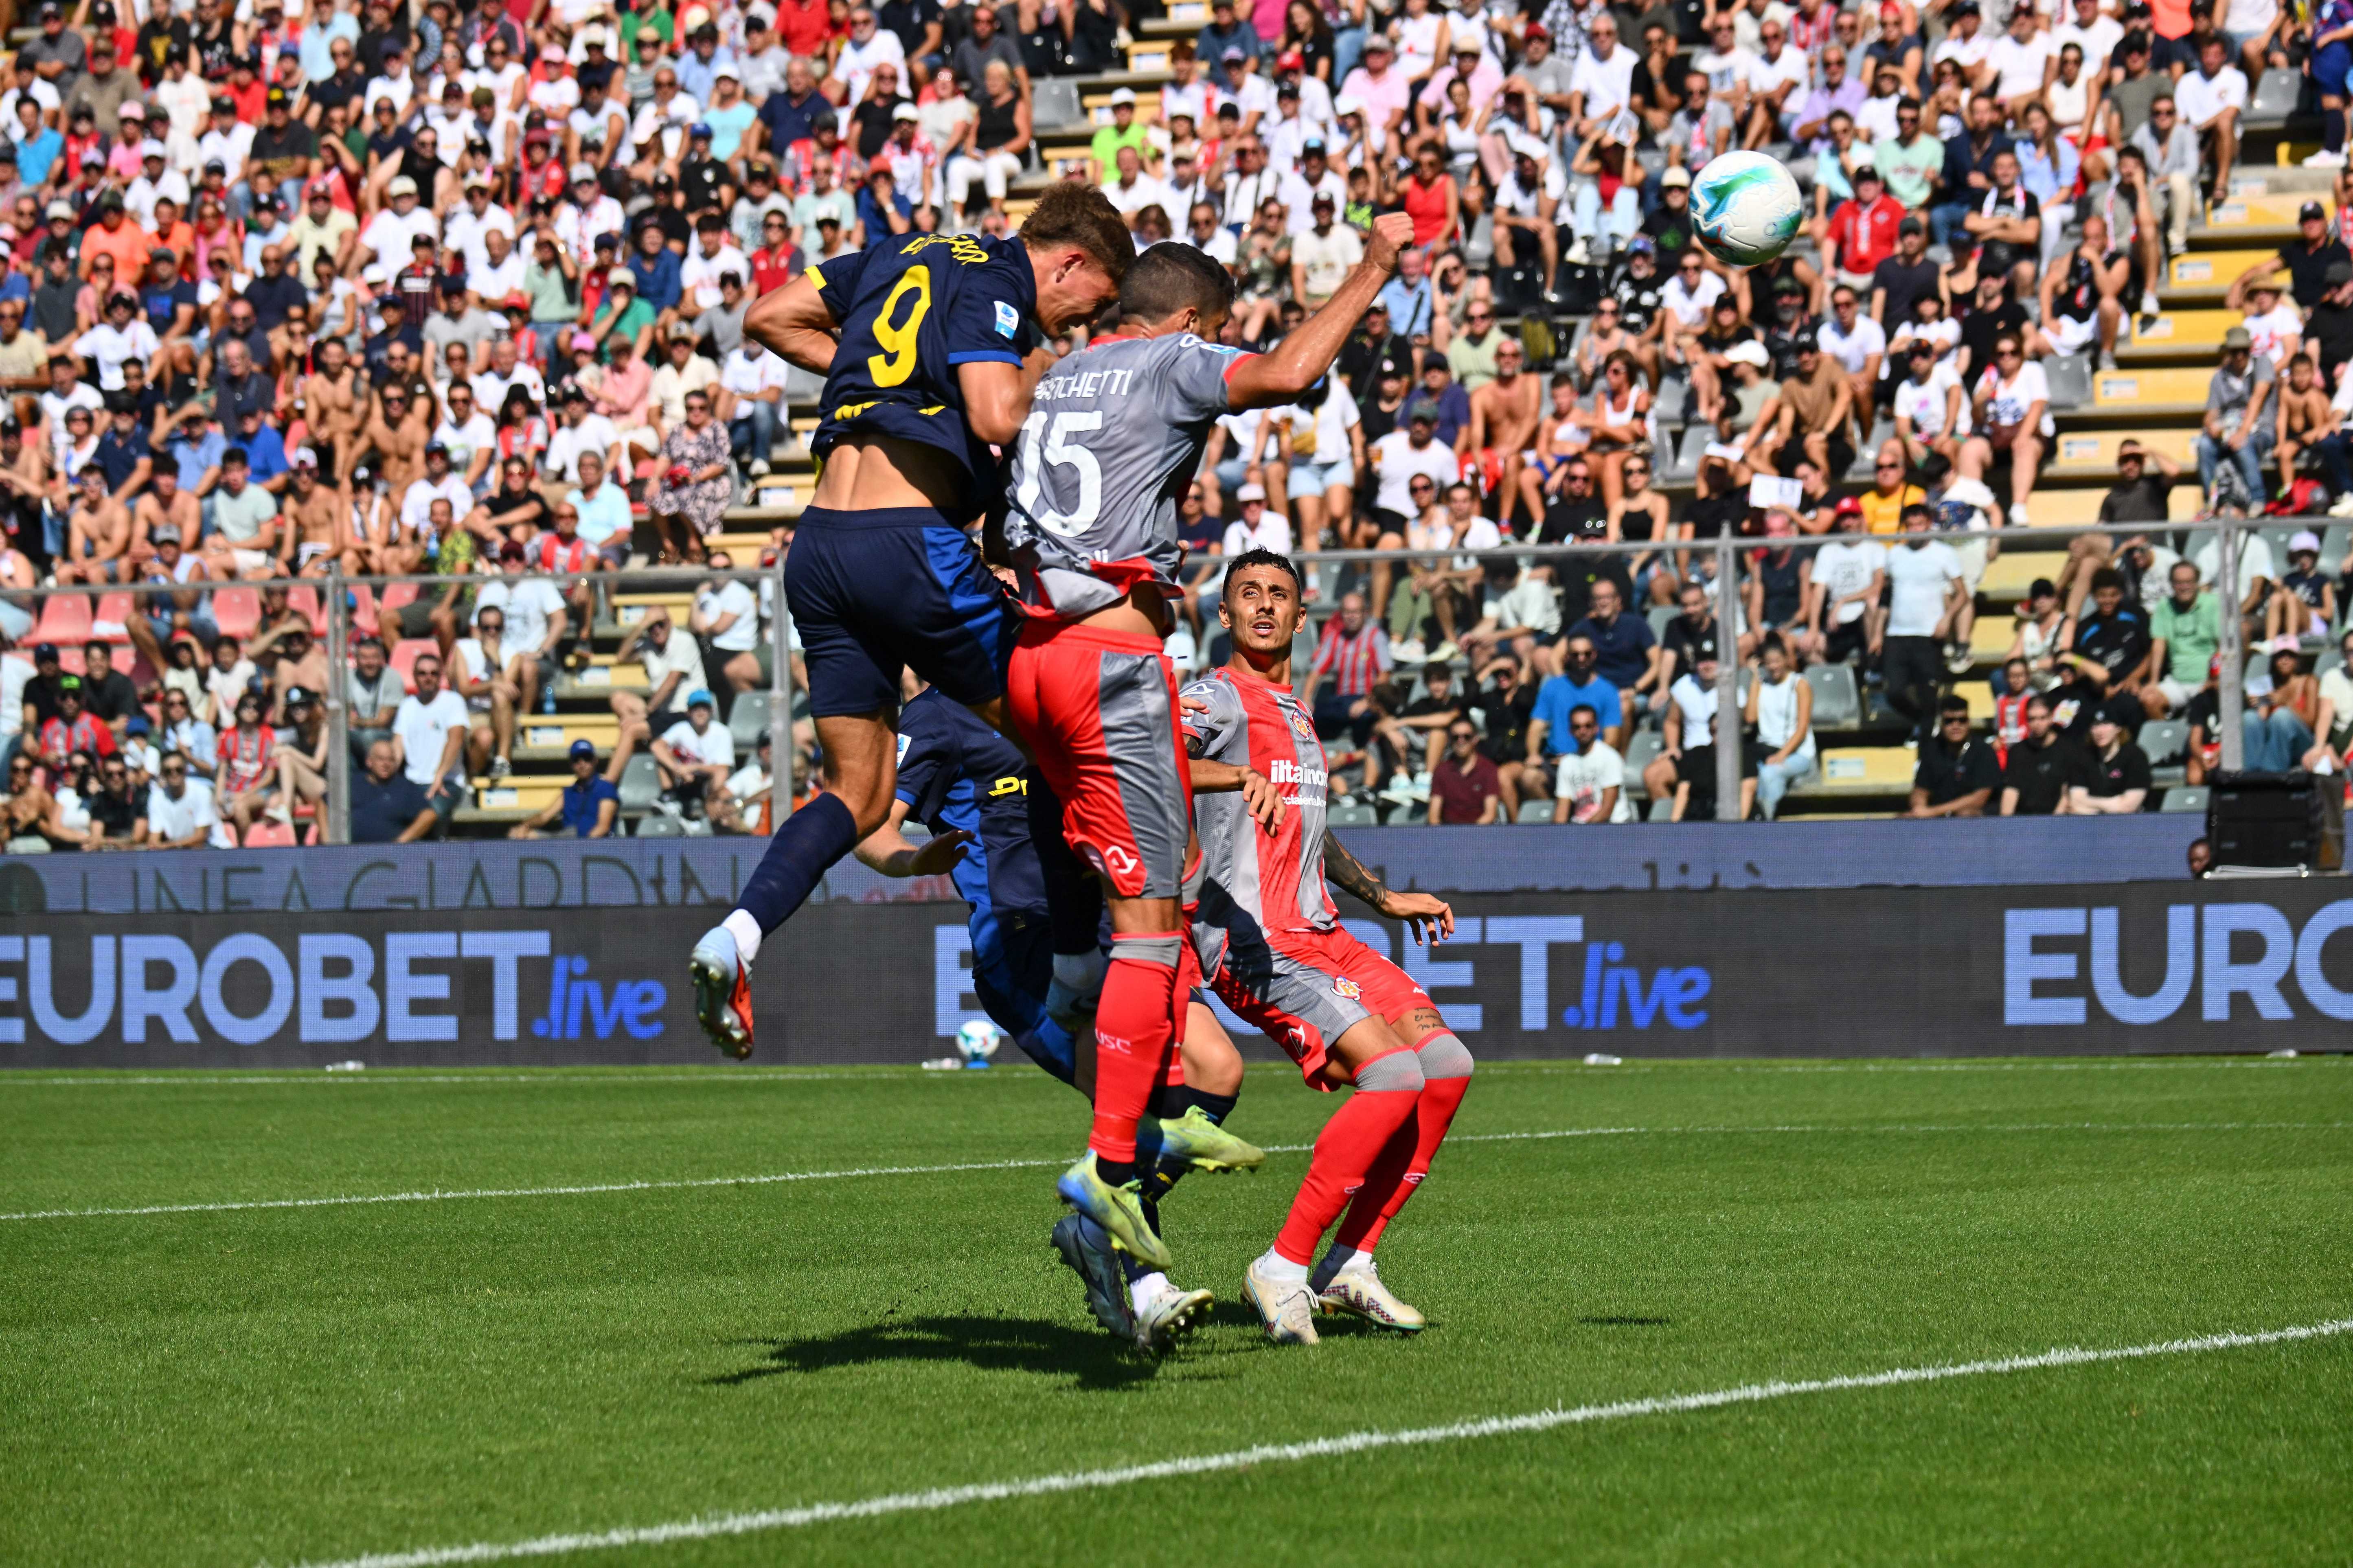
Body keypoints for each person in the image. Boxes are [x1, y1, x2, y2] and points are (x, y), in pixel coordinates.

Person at [992, 226, 1412, 1273]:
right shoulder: (1172, 357)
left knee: (1118, 891)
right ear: (1189, 322)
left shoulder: (1043, 373)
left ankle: (1094, 1050)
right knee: (1150, 924)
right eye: (1213, 331)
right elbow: (1289, 371)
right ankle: (1109, 1172)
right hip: (1109, 649)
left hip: (1024, 652)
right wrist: (1370, 270)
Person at [687, 183, 1135, 1065]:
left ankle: (738, 934)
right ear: (1070, 262)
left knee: (856, 795)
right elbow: (997, 415)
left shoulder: (902, 253)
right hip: (909, 545)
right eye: (1094, 302)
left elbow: (771, 317)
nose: (1082, 325)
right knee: (1055, 736)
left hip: (819, 549)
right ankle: (1081, 968)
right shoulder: (1002, 280)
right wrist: (1038, 372)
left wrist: (883, 379)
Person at [856, 683, 1259, 1347]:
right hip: (1022, 947)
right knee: (1129, 1110)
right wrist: (909, 860)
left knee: (1216, 1070)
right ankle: (1144, 1288)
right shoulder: (935, 712)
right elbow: (871, 830)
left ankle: (1094, 1229)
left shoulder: (1051, 688)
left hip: (1115, 924)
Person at [1183, 550, 1470, 1344]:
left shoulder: (1296, 710)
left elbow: (1308, 826)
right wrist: (1230, 774)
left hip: (1324, 933)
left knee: (1445, 1068)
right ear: (1226, 613)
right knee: (1391, 1075)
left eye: (1279, 595)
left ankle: (1350, 1264)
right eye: (1249, 594)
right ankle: (1282, 1267)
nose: (1265, 607)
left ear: (1301, 618)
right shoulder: (1215, 698)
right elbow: (1143, 757)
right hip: (1256, 943)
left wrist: (1383, 897)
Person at [1747, 633, 1817, 819]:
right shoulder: (1763, 685)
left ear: (1786, 660)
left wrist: (1781, 756)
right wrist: (1755, 678)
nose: (1773, 666)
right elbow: (1750, 718)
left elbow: (1802, 729)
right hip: (1766, 749)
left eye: (1777, 661)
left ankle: (1765, 822)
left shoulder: (1799, 684)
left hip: (1797, 753)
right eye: (1769, 662)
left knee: (1769, 774)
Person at [1908, 695, 2001, 816]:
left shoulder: (1983, 751)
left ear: (1969, 722)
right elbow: (1921, 790)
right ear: (1941, 723)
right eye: (1949, 721)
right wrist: (1919, 808)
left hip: (1975, 818)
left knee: (1965, 815)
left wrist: (1933, 812)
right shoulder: (1932, 750)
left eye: (1962, 720)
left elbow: (1979, 798)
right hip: (1937, 816)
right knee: (1905, 820)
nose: (1956, 726)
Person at [509, 739, 620, 839]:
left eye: (587, 759)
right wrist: (524, 826)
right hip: (568, 840)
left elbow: (603, 827)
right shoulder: (569, 792)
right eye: (577, 760)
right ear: (571, 764)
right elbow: (544, 817)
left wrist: (583, 848)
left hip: (594, 844)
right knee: (519, 835)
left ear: (595, 761)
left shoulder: (605, 788)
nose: (582, 764)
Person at [1551, 703, 1632, 823]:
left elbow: (1606, 811)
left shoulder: (1609, 757)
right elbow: (1562, 810)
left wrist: (1583, 835)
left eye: (1588, 726)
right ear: (1571, 730)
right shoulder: (1567, 763)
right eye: (1577, 727)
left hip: (1613, 828)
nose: (1583, 731)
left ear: (1596, 728)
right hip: (1581, 829)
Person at [2000, 694, 2080, 815]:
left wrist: (2052, 824)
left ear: (2051, 717)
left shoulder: (2068, 750)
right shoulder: (2017, 752)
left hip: (2056, 820)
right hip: (2024, 820)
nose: (2037, 724)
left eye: (2042, 718)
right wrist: (2005, 826)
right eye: (2032, 719)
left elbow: (2067, 793)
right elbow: (2011, 790)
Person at [349, 735, 437, 844]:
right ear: (369, 761)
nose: (386, 764)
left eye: (391, 760)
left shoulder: (405, 787)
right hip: (351, 854)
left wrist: (400, 842)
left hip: (392, 857)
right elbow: (324, 803)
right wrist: (330, 844)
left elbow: (429, 815)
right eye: (381, 759)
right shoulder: (352, 782)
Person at [2069, 703, 2155, 811]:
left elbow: (2128, 807)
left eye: (2106, 724)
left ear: (2118, 728)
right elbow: (2076, 802)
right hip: (2091, 824)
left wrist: (2089, 803)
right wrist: (2114, 802)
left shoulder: (2135, 756)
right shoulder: (2084, 756)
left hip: (2130, 824)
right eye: (2095, 725)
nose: (2100, 731)